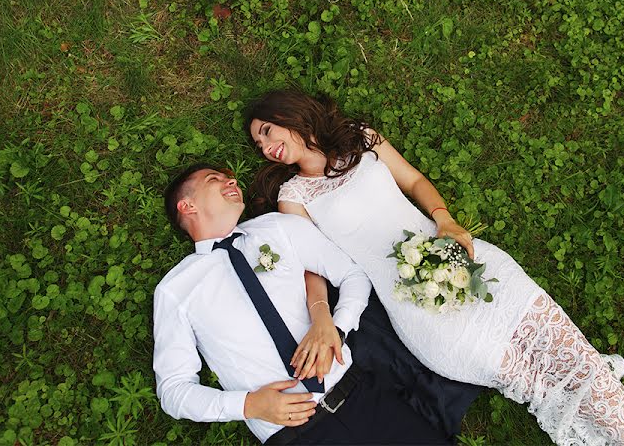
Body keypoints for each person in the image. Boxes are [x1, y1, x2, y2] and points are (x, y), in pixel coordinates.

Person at [247, 90, 624, 446]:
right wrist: (321, 316)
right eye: (259, 146)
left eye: (266, 132)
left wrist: (444, 219)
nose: (266, 148)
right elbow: (313, 267)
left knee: (576, 358)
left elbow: (413, 181)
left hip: (466, 260)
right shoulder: (294, 194)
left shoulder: (361, 137)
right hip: (421, 310)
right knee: (538, 386)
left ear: (288, 114)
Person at [153, 162, 451, 445]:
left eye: (229, 177)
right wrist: (247, 405)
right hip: (297, 436)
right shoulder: (176, 289)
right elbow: (174, 391)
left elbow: (352, 274)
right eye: (213, 180)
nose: (231, 181)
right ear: (187, 206)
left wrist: (337, 327)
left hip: (364, 398)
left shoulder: (277, 227)